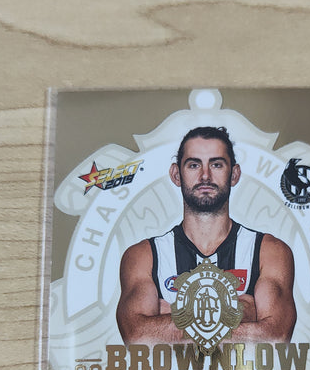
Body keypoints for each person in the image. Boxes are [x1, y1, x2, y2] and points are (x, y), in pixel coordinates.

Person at [116, 126, 296, 345]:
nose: (205, 176)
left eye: (216, 164)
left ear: (234, 174)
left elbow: (276, 338)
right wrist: (243, 310)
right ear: (176, 174)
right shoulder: (144, 256)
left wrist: (171, 314)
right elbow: (137, 337)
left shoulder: (269, 251)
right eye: (194, 165)